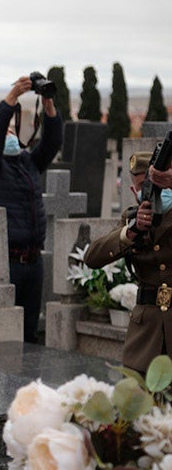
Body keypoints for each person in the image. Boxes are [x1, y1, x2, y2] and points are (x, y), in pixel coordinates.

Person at [0, 75, 63, 343]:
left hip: (33, 262)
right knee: (4, 338)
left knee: (29, 335)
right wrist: (12, 97)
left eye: (13, 132)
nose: (11, 136)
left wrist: (48, 104)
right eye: (7, 133)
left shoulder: (29, 163)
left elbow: (51, 144)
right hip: (7, 264)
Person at [84, 152, 172, 373]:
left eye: (157, 183)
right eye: (144, 185)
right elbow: (92, 257)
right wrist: (130, 232)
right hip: (145, 336)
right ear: (135, 192)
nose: (155, 190)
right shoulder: (131, 219)